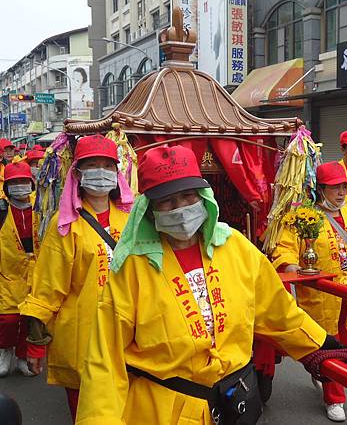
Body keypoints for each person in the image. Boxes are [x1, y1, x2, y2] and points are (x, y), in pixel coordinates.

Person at [75, 145, 333, 425]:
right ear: (150, 210)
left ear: (203, 198)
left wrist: (319, 343)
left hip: (233, 402)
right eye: (168, 202)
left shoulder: (236, 248)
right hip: (162, 410)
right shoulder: (131, 269)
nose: (181, 209)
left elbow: (277, 309)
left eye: (188, 196)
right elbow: (105, 360)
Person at [19, 134, 133, 422]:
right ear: (78, 174)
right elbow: (47, 287)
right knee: (89, 412)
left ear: (117, 173)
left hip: (128, 335)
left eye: (107, 165)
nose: (100, 172)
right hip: (81, 337)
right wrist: (35, 342)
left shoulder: (131, 219)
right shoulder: (65, 224)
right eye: (92, 165)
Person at [271, 161, 347, 422]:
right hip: (320, 296)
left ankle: (325, 374)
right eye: (334, 187)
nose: (340, 192)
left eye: (343, 187)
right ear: (320, 189)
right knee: (330, 346)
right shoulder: (303, 216)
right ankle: (334, 397)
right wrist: (293, 265)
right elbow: (284, 248)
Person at [0, 162, 44, 378]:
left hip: (36, 273)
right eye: (14, 183)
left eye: (23, 181)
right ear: (7, 187)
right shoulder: (1, 210)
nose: (19, 186)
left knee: (30, 318)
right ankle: (4, 351)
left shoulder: (42, 207)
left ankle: (22, 357)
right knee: (8, 320)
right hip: (7, 275)